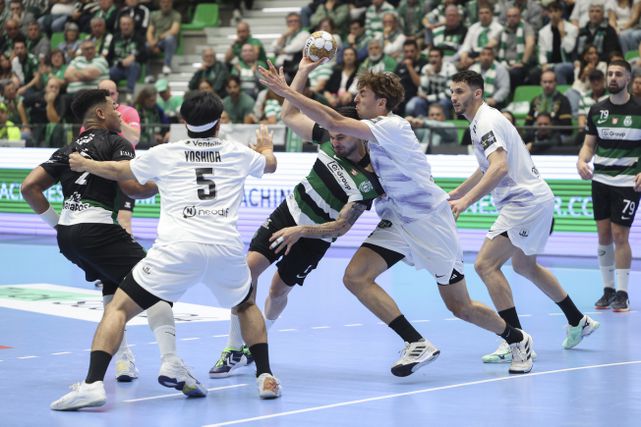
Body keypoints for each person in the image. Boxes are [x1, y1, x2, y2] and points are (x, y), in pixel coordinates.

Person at [257, 56, 536, 376]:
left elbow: (333, 120)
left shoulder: (392, 126)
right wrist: (303, 72)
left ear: (381, 103)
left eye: (362, 94)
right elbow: (299, 119)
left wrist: (285, 90)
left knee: (461, 307)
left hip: (429, 222)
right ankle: (415, 342)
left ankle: (517, 338)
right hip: (398, 220)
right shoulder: (363, 138)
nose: (356, 98)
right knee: (355, 277)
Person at [48, 90, 280, 410]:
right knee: (245, 305)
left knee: (118, 308)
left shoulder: (165, 152)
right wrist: (266, 147)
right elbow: (270, 165)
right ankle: (265, 376)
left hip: (177, 248)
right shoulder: (238, 153)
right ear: (219, 122)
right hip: (224, 247)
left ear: (183, 122)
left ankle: (92, 384)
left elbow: (120, 172)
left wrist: (85, 163)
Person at [19, 89, 202, 404]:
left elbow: (28, 187)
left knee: (113, 285)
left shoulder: (67, 150)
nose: (120, 112)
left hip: (69, 237)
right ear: (101, 114)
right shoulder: (117, 143)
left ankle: (123, 359)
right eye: (114, 107)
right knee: (157, 284)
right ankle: (170, 362)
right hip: (99, 229)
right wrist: (166, 182)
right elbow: (133, 188)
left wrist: (58, 225)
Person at [210, 103, 384, 378]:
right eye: (332, 136)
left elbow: (341, 227)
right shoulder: (327, 137)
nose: (335, 141)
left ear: (357, 132)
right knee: (247, 271)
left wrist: (302, 231)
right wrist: (295, 79)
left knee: (278, 291)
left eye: (341, 136)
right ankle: (233, 347)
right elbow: (289, 114)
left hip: (315, 237)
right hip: (288, 213)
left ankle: (258, 338)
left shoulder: (369, 179)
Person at [448, 70, 600, 364]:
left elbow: (499, 168)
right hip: (534, 199)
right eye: (452, 91)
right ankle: (578, 320)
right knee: (524, 266)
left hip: (524, 202)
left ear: (477, 93)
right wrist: (456, 193)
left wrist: (465, 202)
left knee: (485, 265)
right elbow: (486, 167)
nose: (454, 97)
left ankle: (515, 339)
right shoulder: (480, 121)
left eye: (460, 91)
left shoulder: (486, 121)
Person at [577, 59, 641, 312]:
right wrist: (582, 160)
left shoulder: (638, 109)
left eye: (618, 74)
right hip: (601, 179)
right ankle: (608, 290)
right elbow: (589, 144)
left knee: (619, 235)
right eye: (610, 74)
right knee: (603, 234)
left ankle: (623, 293)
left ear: (628, 78)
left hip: (628, 181)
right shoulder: (597, 109)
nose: (613, 78)